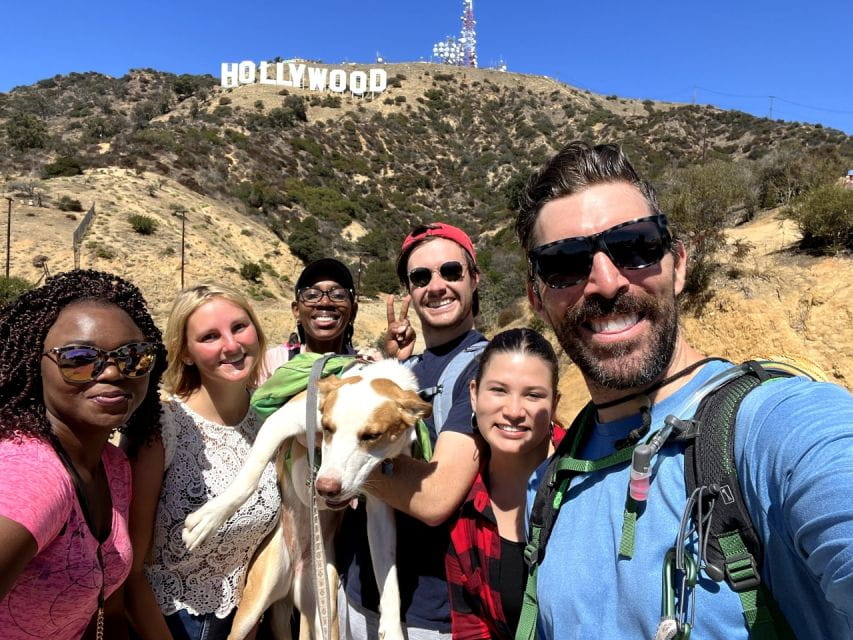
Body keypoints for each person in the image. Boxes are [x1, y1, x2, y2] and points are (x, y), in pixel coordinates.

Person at [515, 141, 853, 639]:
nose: (606, 282)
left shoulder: (774, 431)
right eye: (565, 262)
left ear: (679, 264)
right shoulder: (546, 492)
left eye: (635, 246)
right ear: (537, 299)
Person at [337, 222, 488, 639]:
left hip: (429, 614)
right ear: (409, 290)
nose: (436, 285)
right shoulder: (409, 369)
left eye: (451, 271)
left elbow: (435, 497)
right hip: (357, 593)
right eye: (421, 277)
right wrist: (395, 362)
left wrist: (337, 467)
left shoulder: (487, 370)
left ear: (475, 278)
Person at [0, 269, 166, 640]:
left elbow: (107, 608)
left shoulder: (113, 466)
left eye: (133, 356)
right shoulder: (32, 476)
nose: (112, 372)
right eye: (78, 357)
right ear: (34, 364)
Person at [125, 283, 280, 640]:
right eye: (210, 336)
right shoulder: (163, 429)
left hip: (241, 624)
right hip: (167, 623)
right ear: (187, 353)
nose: (231, 345)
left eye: (239, 327)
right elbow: (131, 569)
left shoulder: (269, 425)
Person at [445, 328, 564, 640]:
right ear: (474, 394)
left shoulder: (587, 485)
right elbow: (472, 629)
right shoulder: (465, 510)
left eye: (533, 395)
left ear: (554, 403)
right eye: (498, 390)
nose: (513, 411)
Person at [261, 258, 360, 381]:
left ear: (353, 311)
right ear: (296, 310)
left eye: (338, 295)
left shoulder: (365, 367)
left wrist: (391, 359)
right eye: (312, 295)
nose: (325, 302)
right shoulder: (270, 364)